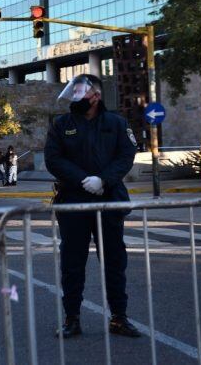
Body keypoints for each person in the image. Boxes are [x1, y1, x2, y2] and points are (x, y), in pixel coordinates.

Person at [44, 74, 140, 339]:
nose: (75, 97)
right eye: (73, 92)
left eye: (80, 92)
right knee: (72, 263)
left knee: (114, 262)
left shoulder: (116, 123)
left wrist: (103, 180)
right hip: (74, 202)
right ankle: (71, 318)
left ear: (95, 96)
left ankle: (119, 318)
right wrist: (82, 180)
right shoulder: (62, 124)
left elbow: (126, 156)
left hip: (108, 201)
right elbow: (53, 158)